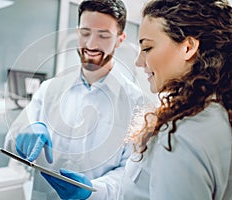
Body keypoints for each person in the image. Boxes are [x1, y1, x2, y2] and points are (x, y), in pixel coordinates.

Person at [41, 0, 232, 199]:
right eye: (85, 32)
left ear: (188, 48)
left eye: (147, 48)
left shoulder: (182, 133)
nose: (139, 62)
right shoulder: (215, 115)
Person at [4, 0, 146, 199]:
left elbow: (131, 173)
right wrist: (23, 133)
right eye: (85, 33)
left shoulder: (136, 102)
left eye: (103, 36)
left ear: (120, 39)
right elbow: (11, 140)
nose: (90, 45)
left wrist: (93, 191)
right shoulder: (49, 90)